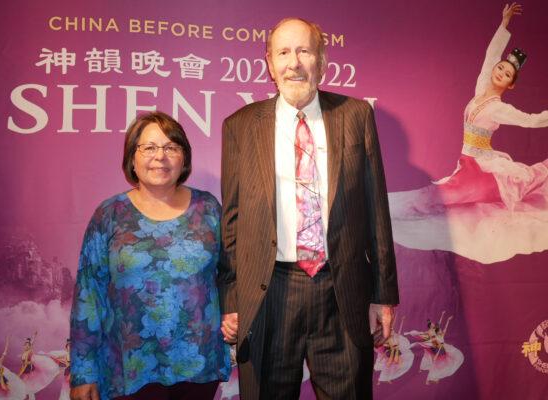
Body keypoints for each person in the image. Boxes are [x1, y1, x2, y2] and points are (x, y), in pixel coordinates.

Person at [218, 17, 399, 399]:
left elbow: (376, 212)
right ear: (269, 63)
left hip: (342, 288)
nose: (294, 63)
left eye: (304, 51)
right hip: (269, 291)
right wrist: (233, 300)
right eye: (283, 52)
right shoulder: (240, 126)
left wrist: (383, 294)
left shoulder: (355, 116)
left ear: (322, 60)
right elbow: (232, 223)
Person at [69, 111, 230, 400]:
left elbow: (232, 273)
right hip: (129, 366)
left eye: (171, 147)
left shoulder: (208, 209)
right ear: (132, 157)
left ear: (184, 159)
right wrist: (84, 371)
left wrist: (235, 315)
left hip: (197, 366)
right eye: (149, 148)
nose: (161, 156)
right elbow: (88, 293)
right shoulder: (109, 214)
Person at [389, 3, 548, 264]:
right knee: (436, 201)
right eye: (501, 68)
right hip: (468, 164)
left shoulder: (500, 108)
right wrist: (504, 25)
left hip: (484, 170)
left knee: (438, 201)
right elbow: (490, 55)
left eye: (507, 74)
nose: (500, 72)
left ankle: (384, 211)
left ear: (511, 83)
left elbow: (530, 121)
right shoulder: (480, 90)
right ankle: (384, 212)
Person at [18, 331, 61, 400]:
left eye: (27, 345)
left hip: (28, 370)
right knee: (27, 387)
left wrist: (19, 374)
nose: (25, 346)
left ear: (29, 346)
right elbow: (24, 363)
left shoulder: (29, 352)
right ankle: (29, 397)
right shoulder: (24, 352)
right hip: (26, 370)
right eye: (25, 345)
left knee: (27, 386)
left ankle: (29, 397)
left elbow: (25, 364)